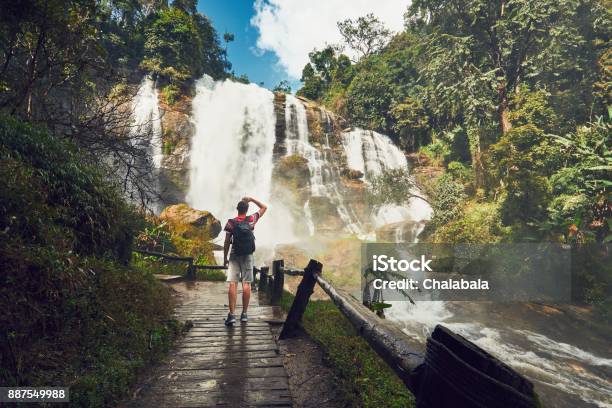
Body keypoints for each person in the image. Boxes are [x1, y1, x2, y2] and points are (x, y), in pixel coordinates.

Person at [223, 196, 267, 326]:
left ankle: (231, 315)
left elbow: (226, 242)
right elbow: (264, 207)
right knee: (246, 284)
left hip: (234, 254)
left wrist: (225, 258)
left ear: (237, 209)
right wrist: (252, 199)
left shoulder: (231, 222)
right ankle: (244, 314)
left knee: (233, 284)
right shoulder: (251, 220)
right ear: (247, 209)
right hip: (248, 255)